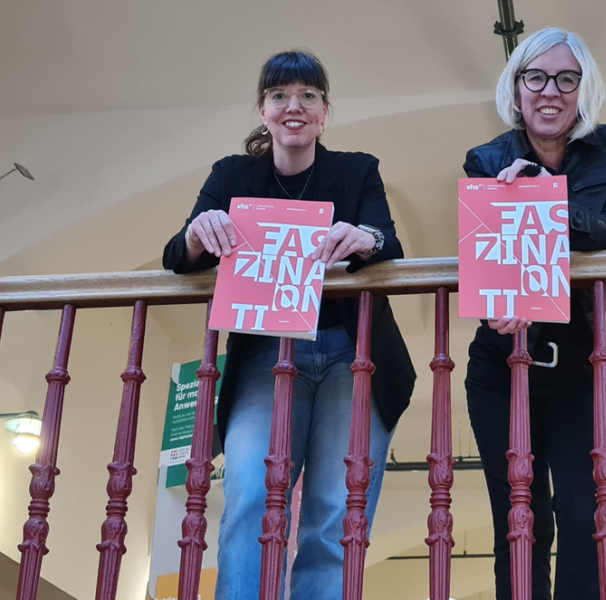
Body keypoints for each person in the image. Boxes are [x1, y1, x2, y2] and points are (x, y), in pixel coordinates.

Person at [162, 50, 416, 600]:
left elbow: (387, 241)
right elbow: (178, 256)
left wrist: (366, 239)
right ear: (262, 109)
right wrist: (199, 231)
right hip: (264, 357)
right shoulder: (232, 175)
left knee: (333, 514)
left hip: (355, 356)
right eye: (279, 96)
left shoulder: (356, 169)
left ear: (325, 111)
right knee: (251, 495)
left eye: (308, 96)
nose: (293, 106)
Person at [462, 28, 606, 600]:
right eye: (536, 77)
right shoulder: (486, 159)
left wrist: (550, 199)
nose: (550, 91)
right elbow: (493, 257)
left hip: (591, 360)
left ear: (582, 89)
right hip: (503, 366)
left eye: (567, 79)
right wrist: (503, 307)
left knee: (584, 514)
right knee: (520, 523)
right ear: (515, 88)